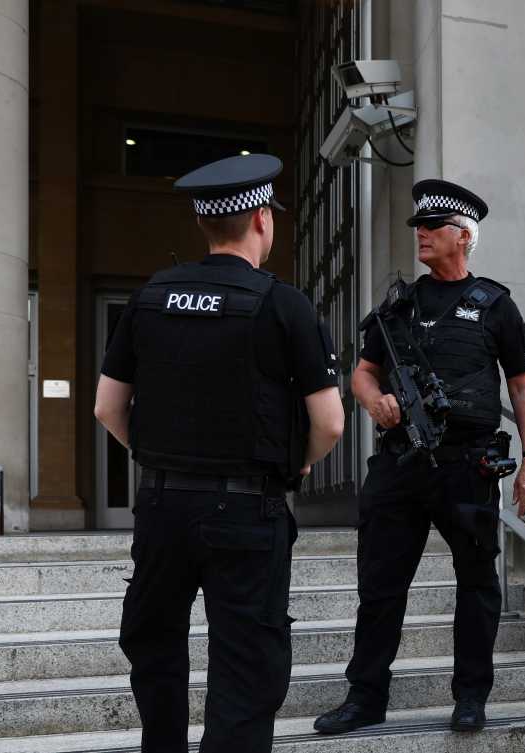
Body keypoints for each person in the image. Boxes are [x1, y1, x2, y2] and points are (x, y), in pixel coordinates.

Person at [93, 153, 346, 753]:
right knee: (246, 664)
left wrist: (157, 457)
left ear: (206, 225)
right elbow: (330, 423)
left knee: (155, 646)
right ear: (261, 220)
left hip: (161, 503)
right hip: (246, 510)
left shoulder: (151, 297)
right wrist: (297, 462)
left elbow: (107, 407)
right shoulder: (285, 304)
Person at [314, 179, 525, 735]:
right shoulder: (399, 307)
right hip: (400, 463)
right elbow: (362, 374)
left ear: (462, 237)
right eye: (418, 226)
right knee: (381, 585)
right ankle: (365, 697)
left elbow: (522, 388)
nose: (420, 234)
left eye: (432, 227)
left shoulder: (495, 306)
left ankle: (470, 697)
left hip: (468, 465)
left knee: (477, 584)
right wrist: (376, 401)